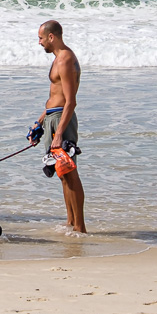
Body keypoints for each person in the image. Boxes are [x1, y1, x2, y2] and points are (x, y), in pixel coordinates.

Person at [34, 20, 87, 233]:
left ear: (51, 37)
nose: (39, 42)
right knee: (62, 173)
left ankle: (80, 227)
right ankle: (70, 221)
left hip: (62, 120)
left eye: (41, 38)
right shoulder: (57, 59)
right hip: (52, 117)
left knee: (70, 172)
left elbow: (70, 102)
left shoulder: (65, 60)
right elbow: (54, 98)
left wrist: (58, 134)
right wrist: (39, 122)